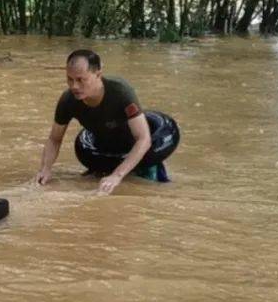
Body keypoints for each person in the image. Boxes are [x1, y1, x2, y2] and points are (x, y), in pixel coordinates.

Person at [35, 49, 179, 194]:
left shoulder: (120, 92)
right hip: (104, 152)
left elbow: (143, 139)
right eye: (70, 79)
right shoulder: (68, 100)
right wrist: (45, 169)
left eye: (80, 80)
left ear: (98, 74)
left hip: (138, 152)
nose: (74, 86)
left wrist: (117, 176)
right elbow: (54, 139)